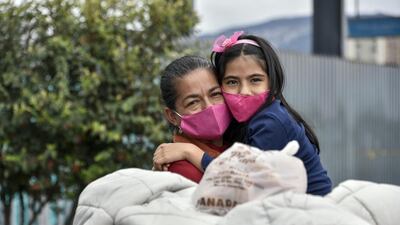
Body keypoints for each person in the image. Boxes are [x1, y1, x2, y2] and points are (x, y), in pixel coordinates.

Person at [153, 32, 332, 195]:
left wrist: (190, 151)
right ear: (172, 116)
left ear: (272, 81)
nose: (244, 91)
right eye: (232, 82)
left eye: (255, 80)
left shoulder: (270, 122)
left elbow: (241, 179)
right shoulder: (243, 123)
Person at [153, 55, 231, 183]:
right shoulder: (181, 169)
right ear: (172, 116)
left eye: (216, 94)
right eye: (193, 102)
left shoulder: (240, 137)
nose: (209, 107)